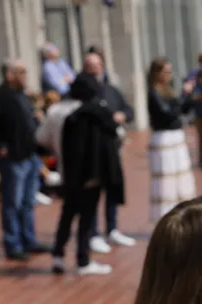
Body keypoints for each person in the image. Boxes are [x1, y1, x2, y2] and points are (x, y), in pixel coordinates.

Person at [0, 59, 50, 261]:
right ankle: (13, 244)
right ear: (10, 74)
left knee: (27, 202)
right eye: (21, 72)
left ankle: (29, 239)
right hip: (13, 159)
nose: (25, 75)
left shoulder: (21, 95)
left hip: (30, 156)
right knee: (12, 203)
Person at [50, 73, 119, 277]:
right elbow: (109, 142)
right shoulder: (97, 115)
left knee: (67, 214)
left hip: (71, 177)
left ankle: (58, 255)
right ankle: (83, 259)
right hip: (91, 176)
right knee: (86, 219)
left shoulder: (68, 116)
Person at [81, 52, 137, 255]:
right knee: (94, 192)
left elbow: (128, 110)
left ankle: (112, 228)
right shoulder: (82, 92)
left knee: (112, 188)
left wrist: (123, 115)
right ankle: (93, 233)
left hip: (112, 148)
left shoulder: (111, 90)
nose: (93, 69)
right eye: (89, 65)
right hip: (92, 150)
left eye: (96, 65)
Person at [147, 57, 197, 222]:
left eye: (170, 71)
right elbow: (168, 114)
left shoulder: (168, 90)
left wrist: (188, 96)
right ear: (157, 73)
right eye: (166, 71)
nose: (169, 75)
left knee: (180, 178)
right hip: (164, 138)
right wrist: (184, 94)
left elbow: (183, 109)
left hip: (176, 136)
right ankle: (165, 218)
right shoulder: (153, 92)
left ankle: (182, 215)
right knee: (166, 181)